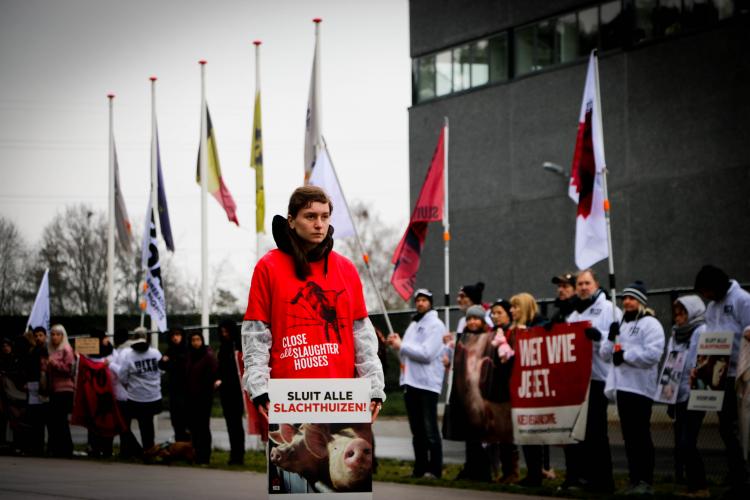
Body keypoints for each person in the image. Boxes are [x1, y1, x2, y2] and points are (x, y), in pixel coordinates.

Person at [241, 185, 385, 421]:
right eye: (310, 216)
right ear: (291, 220)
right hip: (288, 399)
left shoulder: (346, 269)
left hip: (343, 399)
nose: (319, 224)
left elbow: (362, 336)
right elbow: (256, 335)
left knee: (344, 458)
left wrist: (373, 387)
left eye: (324, 216)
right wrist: (259, 389)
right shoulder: (268, 267)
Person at [601, 281, 665, 496]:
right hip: (622, 387)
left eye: (632, 298)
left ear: (641, 302)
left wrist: (625, 355)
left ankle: (645, 481)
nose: (627, 302)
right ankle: (634, 479)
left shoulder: (650, 324)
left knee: (640, 436)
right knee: (629, 438)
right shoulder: (621, 324)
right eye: (625, 298)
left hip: (640, 389)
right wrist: (610, 338)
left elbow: (653, 354)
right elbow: (604, 354)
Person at [694, 265, 750, 496]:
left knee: (741, 427)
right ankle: (735, 473)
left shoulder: (742, 300)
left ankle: (742, 477)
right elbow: (709, 338)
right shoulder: (712, 307)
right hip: (718, 374)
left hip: (739, 374)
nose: (705, 297)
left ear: (716, 286)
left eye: (706, 291)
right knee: (726, 428)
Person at [564, 268, 620, 493]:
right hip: (580, 379)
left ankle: (604, 480)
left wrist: (600, 337)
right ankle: (585, 477)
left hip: (600, 377)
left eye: (587, 283)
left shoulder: (609, 309)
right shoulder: (576, 313)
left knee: (597, 432)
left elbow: (618, 339)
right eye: (580, 284)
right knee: (582, 433)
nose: (583, 288)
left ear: (596, 284)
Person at [387, 288, 446, 479]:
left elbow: (427, 354)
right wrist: (397, 345)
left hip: (427, 384)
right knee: (417, 431)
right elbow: (406, 355)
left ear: (430, 303)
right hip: (410, 383)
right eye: (418, 300)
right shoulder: (413, 325)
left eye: (424, 300)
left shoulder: (436, 325)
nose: (420, 303)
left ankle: (435, 470)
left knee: (430, 430)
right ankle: (419, 469)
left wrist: (402, 345)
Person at [667, 295, 709, 497]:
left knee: (687, 442)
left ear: (692, 312)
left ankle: (700, 486)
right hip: (679, 394)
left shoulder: (701, 330)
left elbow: (700, 361)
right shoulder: (675, 333)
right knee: (682, 444)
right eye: (676, 314)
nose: (678, 318)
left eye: (682, 313)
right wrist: (668, 396)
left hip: (695, 393)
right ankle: (694, 486)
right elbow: (671, 362)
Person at [505, 293, 549, 487]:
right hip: (521, 386)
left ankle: (538, 473)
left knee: (535, 432)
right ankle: (532, 473)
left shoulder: (540, 325)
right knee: (524, 431)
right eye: (511, 307)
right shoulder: (512, 330)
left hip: (537, 386)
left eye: (516, 307)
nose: (512, 310)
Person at [114, 328, 162, 456]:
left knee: (137, 423)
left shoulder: (130, 355)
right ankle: (148, 449)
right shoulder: (155, 353)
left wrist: (129, 386)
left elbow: (122, 376)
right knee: (147, 424)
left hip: (137, 397)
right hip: (151, 396)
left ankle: (144, 450)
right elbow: (162, 371)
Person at [487, 298, 518, 484]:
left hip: (510, 388)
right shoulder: (490, 335)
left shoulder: (513, 333)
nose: (496, 316)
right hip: (495, 388)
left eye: (500, 312)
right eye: (493, 313)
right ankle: (502, 472)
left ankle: (512, 473)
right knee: (499, 433)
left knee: (508, 434)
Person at [216, 319, 246, 466]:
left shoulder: (238, 346)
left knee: (236, 424)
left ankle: (238, 455)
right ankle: (235, 455)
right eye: (222, 332)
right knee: (231, 424)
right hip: (226, 391)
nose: (224, 334)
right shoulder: (223, 348)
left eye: (226, 331)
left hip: (236, 391)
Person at [186, 331, 218, 464]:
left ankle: (204, 456)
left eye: (198, 339)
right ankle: (195, 454)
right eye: (193, 340)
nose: (195, 342)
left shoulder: (208, 355)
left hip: (204, 397)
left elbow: (214, 373)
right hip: (191, 397)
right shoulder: (188, 355)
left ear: (202, 340)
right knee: (194, 427)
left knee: (203, 427)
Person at [46, 324, 76, 458]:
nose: (54, 337)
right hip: (54, 389)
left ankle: (66, 449)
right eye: (52, 334)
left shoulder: (67, 349)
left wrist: (54, 364)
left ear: (63, 336)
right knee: (55, 420)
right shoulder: (51, 350)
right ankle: (57, 448)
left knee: (61, 420)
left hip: (65, 389)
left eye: (58, 334)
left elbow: (69, 370)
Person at [158, 327, 189, 442]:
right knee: (176, 418)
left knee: (186, 418)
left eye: (178, 335)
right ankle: (179, 442)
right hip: (174, 389)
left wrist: (170, 362)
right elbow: (162, 364)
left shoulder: (186, 350)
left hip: (186, 389)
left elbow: (182, 366)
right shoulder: (170, 350)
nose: (175, 338)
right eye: (173, 335)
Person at [23, 326, 49, 456]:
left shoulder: (45, 350)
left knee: (40, 419)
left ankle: (39, 447)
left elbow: (44, 369)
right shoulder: (32, 350)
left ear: (45, 336)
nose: (38, 338)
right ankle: (33, 446)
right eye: (36, 335)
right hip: (32, 385)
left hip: (42, 386)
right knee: (33, 417)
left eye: (41, 335)